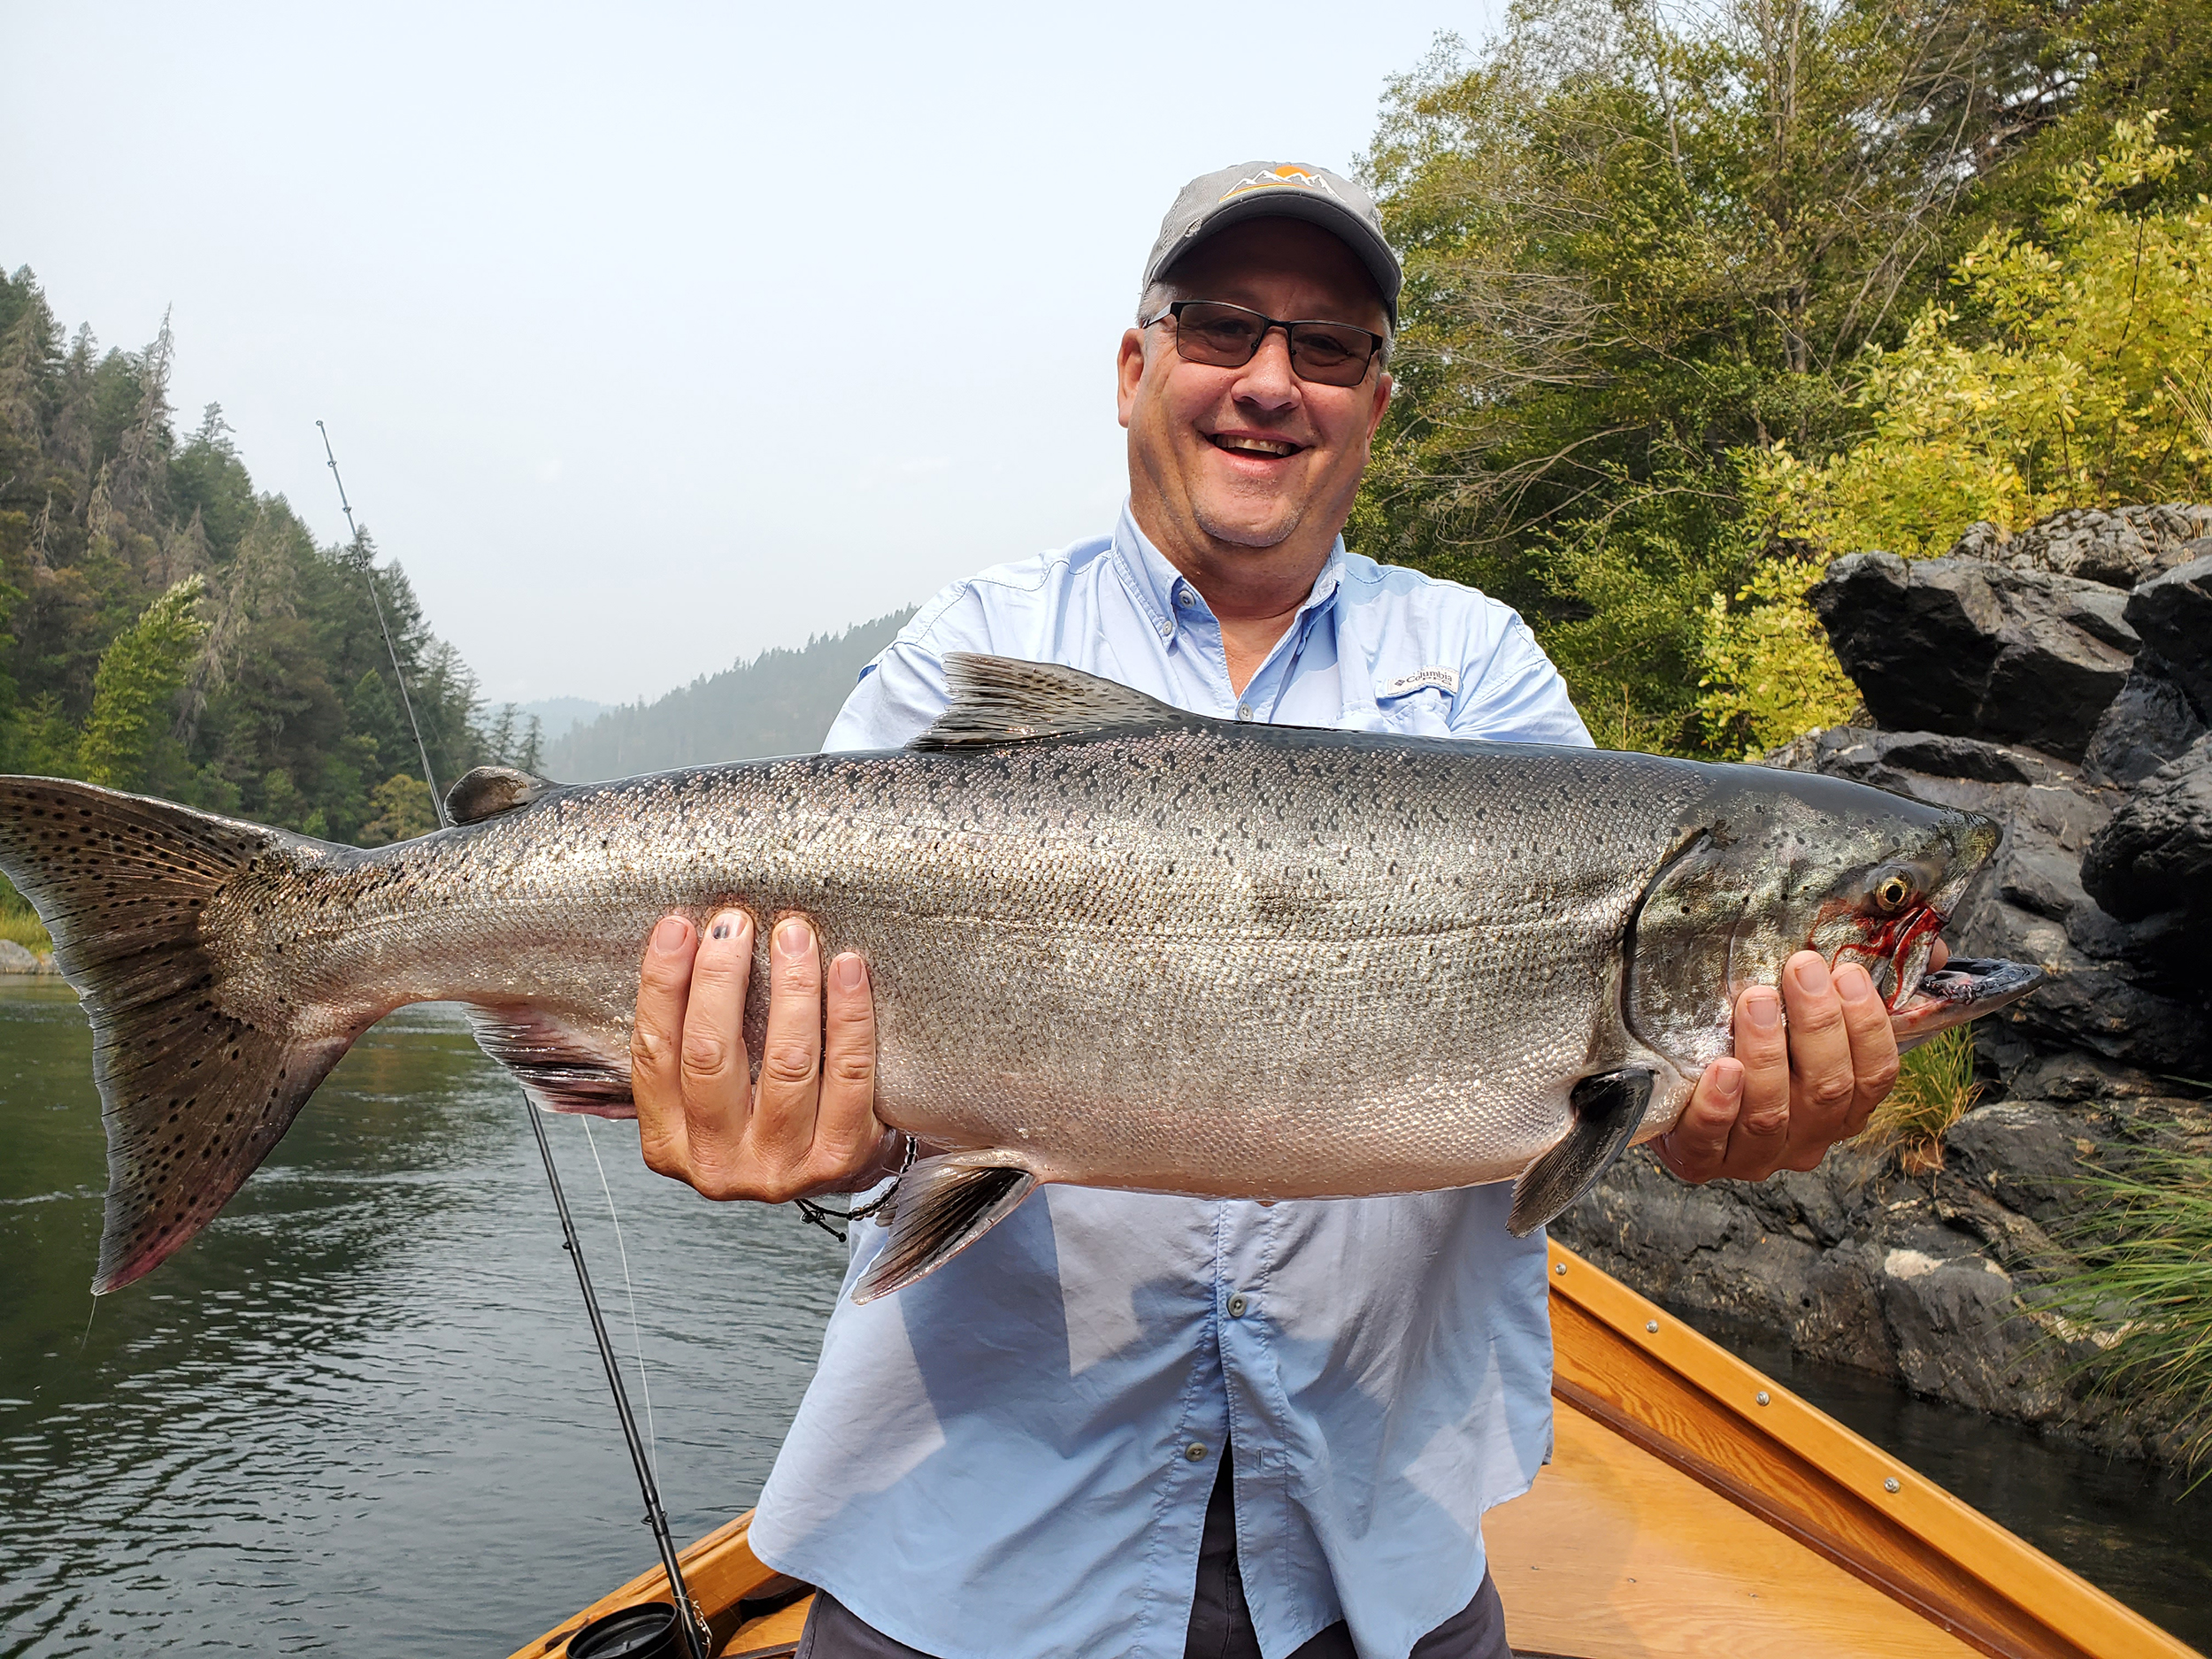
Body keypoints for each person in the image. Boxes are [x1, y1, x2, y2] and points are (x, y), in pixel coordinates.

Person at [630, 162, 1917, 1659]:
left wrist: (1723, 1123)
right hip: (966, 1545)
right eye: (1222, 327)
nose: (1268, 382)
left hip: (1377, 1551)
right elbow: (839, 1131)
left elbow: (1629, 1093)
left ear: (1377, 402)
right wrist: (812, 1153)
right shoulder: (974, 646)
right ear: (1135, 368)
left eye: (1328, 348)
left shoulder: (1482, 669)